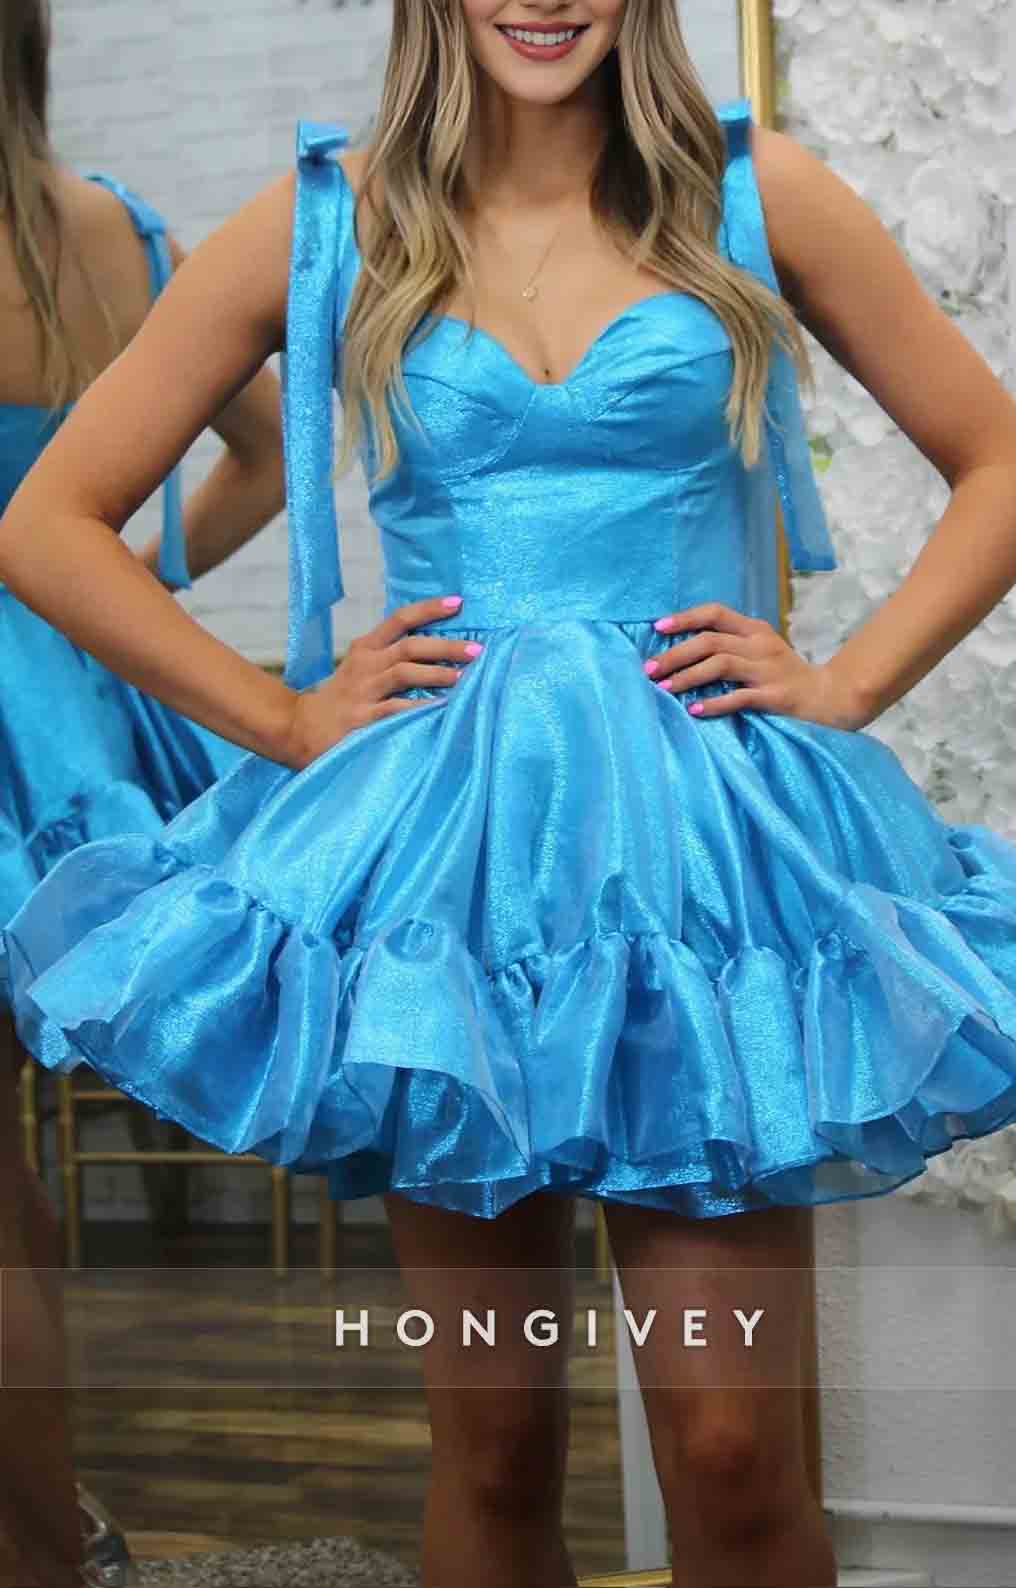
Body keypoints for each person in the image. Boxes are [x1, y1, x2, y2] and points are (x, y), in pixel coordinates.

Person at [1, 1, 1016, 1584]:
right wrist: (283, 716)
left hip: (705, 880)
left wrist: (851, 681)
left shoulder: (751, 194)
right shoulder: (334, 218)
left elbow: (1014, 469)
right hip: (447, 885)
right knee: (499, 1444)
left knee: (731, 1455)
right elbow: (50, 521)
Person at [0, 2, 287, 1584]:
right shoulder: (114, 227)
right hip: (75, 722)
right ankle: (56, 1530)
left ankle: (42, 1540)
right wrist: (109, 599)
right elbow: (268, 454)